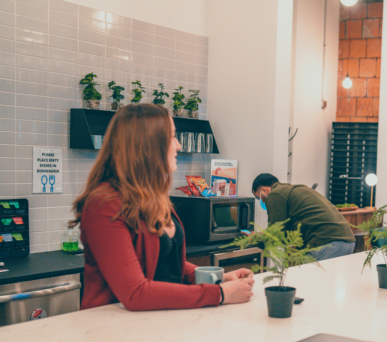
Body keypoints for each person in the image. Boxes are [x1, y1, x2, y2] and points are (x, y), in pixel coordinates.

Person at [70, 104, 254, 311]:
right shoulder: (104, 204)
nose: (178, 145)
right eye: (172, 136)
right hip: (114, 331)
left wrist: (216, 278)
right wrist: (219, 294)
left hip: (160, 324)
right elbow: (135, 293)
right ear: (147, 144)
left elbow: (164, 260)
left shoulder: (152, 198)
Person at [251, 173, 356, 261]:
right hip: (346, 241)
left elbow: (276, 236)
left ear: (264, 190)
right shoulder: (295, 189)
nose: (261, 200)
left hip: (326, 243)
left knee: (315, 284)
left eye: (257, 197)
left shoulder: (275, 194)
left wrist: (253, 240)